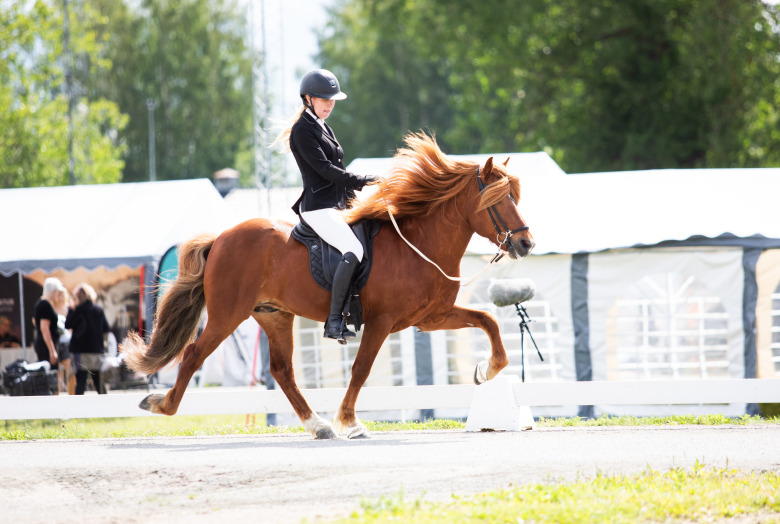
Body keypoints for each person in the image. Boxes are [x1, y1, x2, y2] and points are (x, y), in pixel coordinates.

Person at [275, 68, 376, 342]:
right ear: (308, 98)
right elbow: (327, 170)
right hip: (318, 208)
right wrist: (365, 180)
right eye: (324, 99)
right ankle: (334, 321)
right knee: (353, 248)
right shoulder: (302, 131)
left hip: (337, 204)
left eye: (333, 100)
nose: (330, 104)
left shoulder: (321, 125)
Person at [65, 283, 110, 395]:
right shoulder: (98, 310)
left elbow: (68, 324)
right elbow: (106, 328)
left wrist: (71, 309)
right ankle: (106, 405)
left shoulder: (79, 310)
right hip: (96, 350)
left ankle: (79, 408)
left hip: (81, 351)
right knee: (98, 381)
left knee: (81, 380)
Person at [33, 277, 66, 370]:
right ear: (54, 291)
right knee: (49, 375)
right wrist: (52, 351)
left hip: (43, 344)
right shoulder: (45, 305)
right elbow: (44, 328)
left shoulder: (41, 303)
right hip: (45, 346)